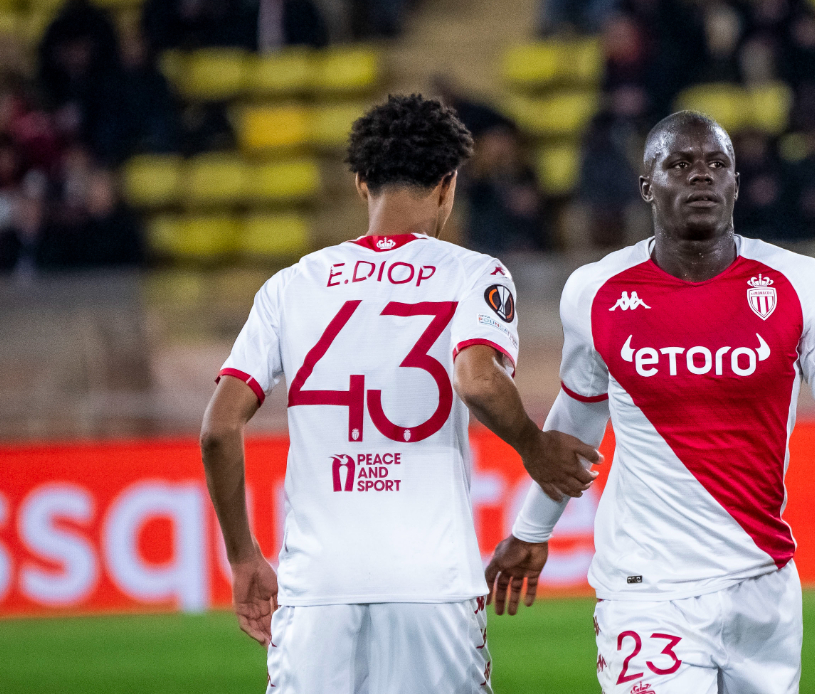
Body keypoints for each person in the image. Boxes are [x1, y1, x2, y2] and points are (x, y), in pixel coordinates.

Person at [198, 95, 602, 694]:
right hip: (432, 584)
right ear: (448, 184)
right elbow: (476, 379)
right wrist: (533, 446)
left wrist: (242, 557)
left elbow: (217, 429)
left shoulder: (290, 285)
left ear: (361, 182)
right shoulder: (475, 274)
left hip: (317, 592)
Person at [486, 111, 815, 693]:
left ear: (736, 184)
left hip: (763, 586)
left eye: (716, 164)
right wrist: (532, 530)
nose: (701, 175)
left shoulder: (801, 284)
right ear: (647, 186)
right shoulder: (596, 291)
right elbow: (577, 418)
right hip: (646, 590)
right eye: (680, 164)